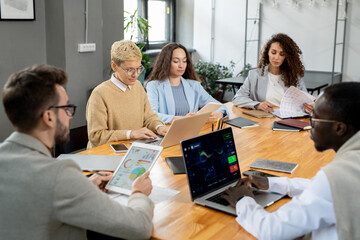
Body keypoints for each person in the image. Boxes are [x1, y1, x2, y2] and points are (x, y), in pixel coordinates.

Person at [0, 64, 154, 239]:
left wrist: (85, 186)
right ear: (48, 117)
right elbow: (140, 228)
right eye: (66, 108)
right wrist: (139, 193)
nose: (70, 116)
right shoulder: (60, 175)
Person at [222, 82, 360, 239]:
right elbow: (324, 190)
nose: (309, 123)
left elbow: (272, 231)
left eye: (315, 118)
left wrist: (242, 200)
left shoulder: (336, 175)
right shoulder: (351, 165)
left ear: (339, 128)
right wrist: (272, 183)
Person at [86, 40, 168, 148]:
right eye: (130, 70)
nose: (136, 74)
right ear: (114, 66)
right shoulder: (99, 94)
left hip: (133, 149)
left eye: (139, 68)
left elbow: (149, 117)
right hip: (106, 155)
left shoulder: (138, 86)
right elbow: (96, 136)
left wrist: (159, 126)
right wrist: (131, 134)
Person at [146, 42, 228, 124]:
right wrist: (181, 119)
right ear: (166, 62)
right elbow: (151, 115)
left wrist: (219, 114)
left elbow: (220, 106)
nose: (181, 65)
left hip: (191, 131)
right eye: (176, 61)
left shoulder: (194, 86)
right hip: (166, 131)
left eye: (184, 61)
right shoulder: (153, 86)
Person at [232, 33, 313, 113]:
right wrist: (257, 105)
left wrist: (307, 107)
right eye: (273, 52)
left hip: (288, 120)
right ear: (268, 53)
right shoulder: (254, 75)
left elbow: (306, 102)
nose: (276, 57)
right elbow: (238, 98)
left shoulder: (295, 77)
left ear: (287, 57)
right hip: (263, 120)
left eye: (282, 54)